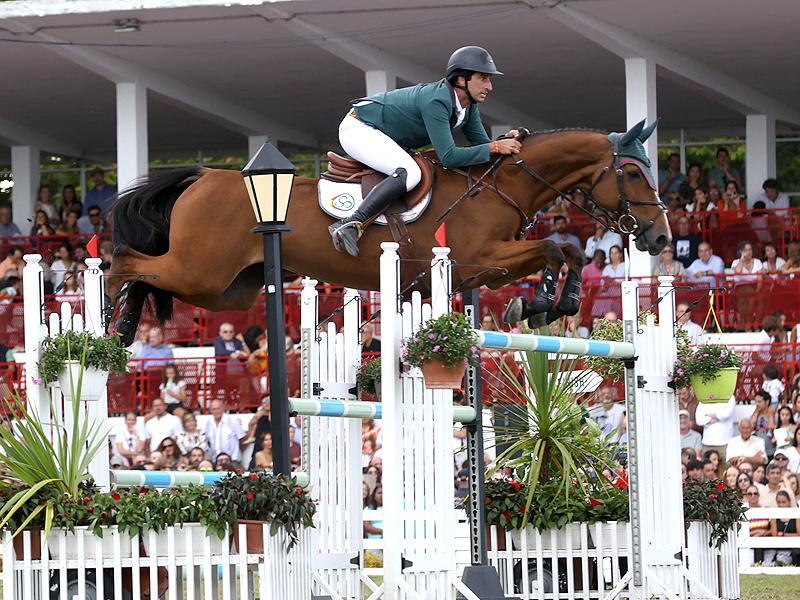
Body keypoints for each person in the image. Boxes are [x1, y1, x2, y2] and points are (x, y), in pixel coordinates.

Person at [328, 46, 518, 256]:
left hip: (383, 134)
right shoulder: (437, 101)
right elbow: (449, 157)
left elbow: (483, 145)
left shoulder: (469, 106)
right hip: (359, 128)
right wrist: (494, 147)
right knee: (410, 172)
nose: (489, 86)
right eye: (483, 78)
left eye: (489, 79)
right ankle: (350, 223)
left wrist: (504, 142)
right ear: (461, 79)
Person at [695, 395, 736, 465]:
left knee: (725, 468)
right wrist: (713, 419)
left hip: (725, 443)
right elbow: (698, 420)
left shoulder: (729, 396)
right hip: (707, 443)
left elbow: (726, 414)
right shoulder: (704, 398)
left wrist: (709, 416)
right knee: (707, 468)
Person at [204, 398, 247, 463]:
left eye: (218, 408)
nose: (216, 411)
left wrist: (237, 453)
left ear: (223, 408)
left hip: (233, 461)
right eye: (214, 409)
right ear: (210, 410)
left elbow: (242, 439)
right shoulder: (208, 423)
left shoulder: (232, 421)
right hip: (216, 461)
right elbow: (207, 442)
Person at [750, 390, 776, 458]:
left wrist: (771, 415)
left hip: (771, 451)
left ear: (767, 402)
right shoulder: (754, 414)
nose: (757, 404)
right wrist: (756, 413)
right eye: (756, 401)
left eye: (759, 402)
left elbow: (774, 427)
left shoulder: (774, 414)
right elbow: (750, 427)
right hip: (757, 451)